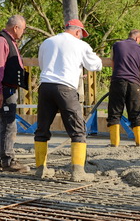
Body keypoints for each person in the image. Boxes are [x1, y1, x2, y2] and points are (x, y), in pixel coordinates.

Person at [34, 19, 102, 182]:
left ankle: (40, 169)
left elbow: (42, 64)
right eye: (81, 35)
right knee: (78, 130)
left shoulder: (47, 42)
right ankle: (78, 172)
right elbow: (94, 65)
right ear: (78, 32)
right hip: (66, 89)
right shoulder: (80, 45)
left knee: (42, 129)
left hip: (45, 87)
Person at [0, 15, 30, 172]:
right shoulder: (1, 41)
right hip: (4, 90)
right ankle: (8, 161)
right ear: (16, 28)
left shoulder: (8, 41)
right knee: (9, 124)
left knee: (1, 124)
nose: (23, 33)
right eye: (23, 29)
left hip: (6, 88)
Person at [107, 29, 140, 147]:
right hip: (134, 84)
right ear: (137, 38)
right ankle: (139, 143)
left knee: (114, 113)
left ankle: (114, 144)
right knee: (135, 113)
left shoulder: (116, 46)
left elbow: (113, 65)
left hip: (117, 82)